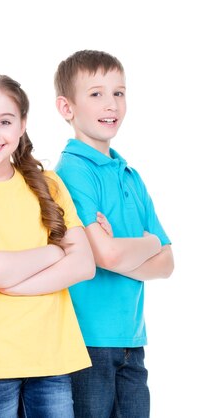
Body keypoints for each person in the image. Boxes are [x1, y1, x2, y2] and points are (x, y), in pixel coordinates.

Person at [0, 70, 95, 418]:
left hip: (53, 357)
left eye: (5, 121)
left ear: (23, 124)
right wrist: (55, 251)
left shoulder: (50, 183)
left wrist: (11, 283)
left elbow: (84, 266)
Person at [54, 50, 174, 418]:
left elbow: (168, 263)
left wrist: (129, 250)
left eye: (118, 93)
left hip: (132, 343)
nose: (111, 104)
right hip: (87, 343)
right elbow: (107, 256)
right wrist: (148, 244)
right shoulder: (72, 172)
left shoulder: (129, 175)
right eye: (96, 94)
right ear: (66, 107)